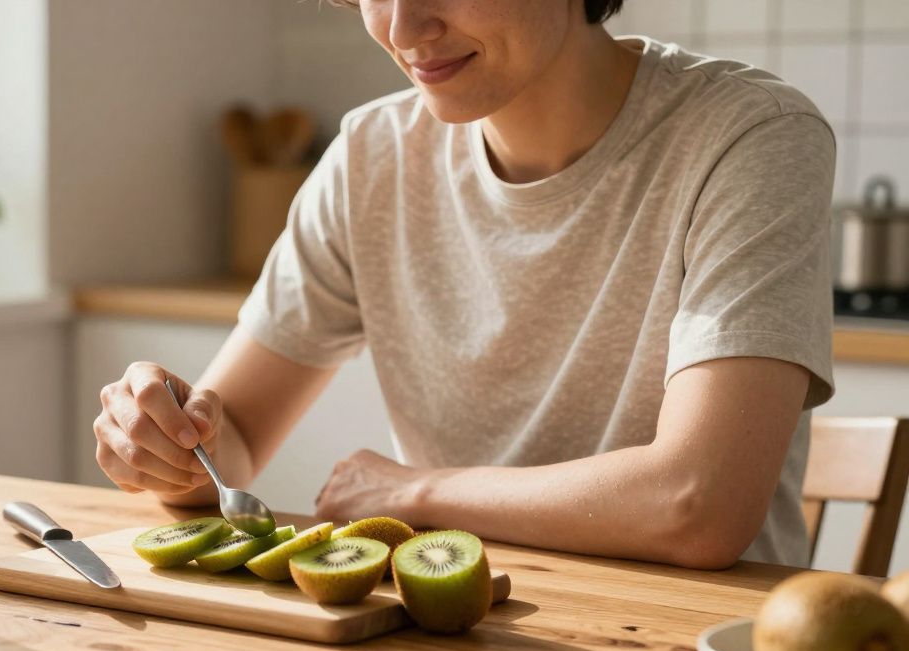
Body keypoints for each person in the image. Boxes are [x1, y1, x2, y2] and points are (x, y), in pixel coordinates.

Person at [93, 0, 835, 569]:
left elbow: (698, 504)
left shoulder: (749, 137)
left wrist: (412, 493)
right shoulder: (371, 155)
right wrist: (166, 442)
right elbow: (236, 440)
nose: (402, 26)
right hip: (451, 642)